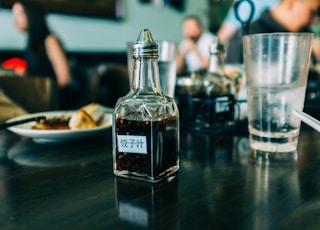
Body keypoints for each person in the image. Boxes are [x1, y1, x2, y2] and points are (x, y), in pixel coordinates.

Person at [12, 0, 79, 109]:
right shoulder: (31, 44)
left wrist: (40, 95)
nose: (15, 19)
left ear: (32, 15)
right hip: (42, 100)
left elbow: (65, 79)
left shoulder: (50, 40)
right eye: (14, 14)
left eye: (20, 13)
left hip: (59, 101)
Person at [225, 0, 320, 63]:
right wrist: (311, 54)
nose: (314, 21)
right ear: (291, 3)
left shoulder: (302, 32)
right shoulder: (250, 35)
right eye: (312, 12)